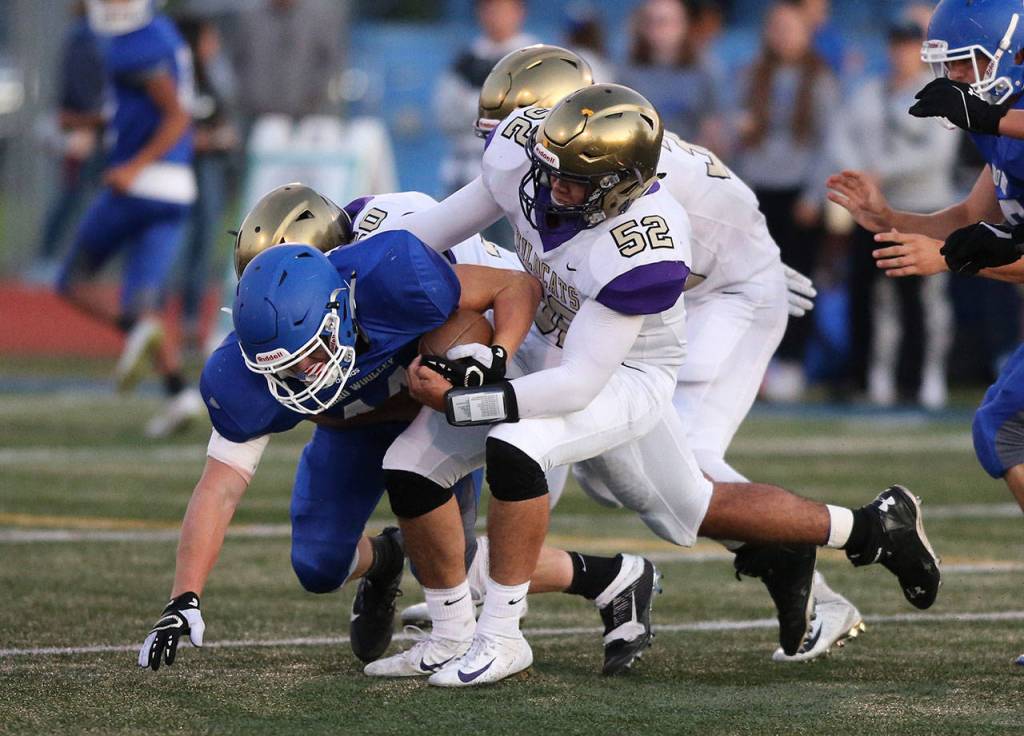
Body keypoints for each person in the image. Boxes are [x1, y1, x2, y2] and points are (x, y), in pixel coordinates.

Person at [370, 84, 941, 687]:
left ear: (621, 186)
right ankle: (450, 632)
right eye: (550, 170)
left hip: (626, 373)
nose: (552, 189)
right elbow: (427, 238)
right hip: (556, 337)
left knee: (526, 448)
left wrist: (464, 401)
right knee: (411, 462)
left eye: (574, 182)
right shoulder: (523, 153)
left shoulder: (644, 241)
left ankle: (502, 637)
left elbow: (579, 385)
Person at [456, 44, 861, 664]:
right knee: (616, 479)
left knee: (680, 477)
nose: (503, 147)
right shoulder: (581, 155)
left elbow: (689, 242)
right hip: (666, 294)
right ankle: (489, 584)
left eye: (515, 129)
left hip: (719, 296)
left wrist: (766, 268)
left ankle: (810, 571)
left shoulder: (619, 168)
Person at [136, 186, 547, 671]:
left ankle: (602, 578)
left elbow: (513, 287)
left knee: (450, 560)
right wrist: (183, 596)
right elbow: (219, 486)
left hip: (427, 413)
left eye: (307, 353)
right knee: (317, 565)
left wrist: (487, 361)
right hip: (350, 428)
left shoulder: (397, 270)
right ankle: (385, 560)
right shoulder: (248, 366)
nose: (300, 374)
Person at [825, 0, 1024, 665]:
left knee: (1003, 426)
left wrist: (955, 258)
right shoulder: (999, 128)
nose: (959, 79)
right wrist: (891, 217)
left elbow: (978, 242)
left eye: (966, 62)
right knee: (1001, 428)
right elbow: (974, 214)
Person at [58, 0, 199, 437]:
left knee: (73, 280)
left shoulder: (135, 42)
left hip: (141, 185)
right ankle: (180, 394)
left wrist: (133, 166)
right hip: (177, 189)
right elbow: (153, 109)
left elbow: (177, 116)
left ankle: (138, 330)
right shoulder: (162, 34)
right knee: (145, 304)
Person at [830, 19, 957, 409]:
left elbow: (939, 153)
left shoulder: (941, 95)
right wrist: (859, 176)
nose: (901, 52)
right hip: (871, 210)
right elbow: (839, 134)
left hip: (920, 207)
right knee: (864, 295)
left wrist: (882, 172)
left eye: (908, 44)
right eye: (896, 44)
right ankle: (865, 376)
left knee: (918, 296)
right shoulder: (868, 92)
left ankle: (920, 376)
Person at [733, 1, 838, 401]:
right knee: (752, 280)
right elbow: (735, 135)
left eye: (791, 28)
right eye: (776, 28)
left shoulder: (820, 80)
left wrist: (815, 193)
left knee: (796, 276)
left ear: (806, 32)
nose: (783, 36)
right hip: (757, 189)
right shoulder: (751, 76)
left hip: (797, 190)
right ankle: (753, 364)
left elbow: (829, 141)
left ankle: (792, 363)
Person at [174, 14, 239, 352]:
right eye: (208, 39)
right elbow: (178, 129)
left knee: (203, 245)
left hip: (210, 169)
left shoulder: (211, 75)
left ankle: (190, 321)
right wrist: (210, 140)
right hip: (184, 171)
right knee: (185, 246)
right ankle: (173, 318)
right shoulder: (178, 78)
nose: (214, 45)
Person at [31, 1, 105, 277]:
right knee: (71, 196)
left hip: (101, 129)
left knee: (90, 199)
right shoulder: (84, 35)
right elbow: (79, 84)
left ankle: (77, 264)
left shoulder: (102, 34)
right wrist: (86, 121)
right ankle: (46, 259)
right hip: (85, 128)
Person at [434, 0, 536, 195]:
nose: (496, 16)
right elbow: (446, 116)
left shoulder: (535, 58)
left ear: (519, 11)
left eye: (503, 8)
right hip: (466, 169)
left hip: (519, 173)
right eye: (488, 8)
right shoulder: (467, 60)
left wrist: (479, 106)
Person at [618, 0, 725, 152]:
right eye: (650, 21)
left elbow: (714, 125)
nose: (657, 29)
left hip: (691, 157)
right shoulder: (627, 71)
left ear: (683, 25)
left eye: (664, 22)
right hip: (642, 157)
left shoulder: (705, 69)